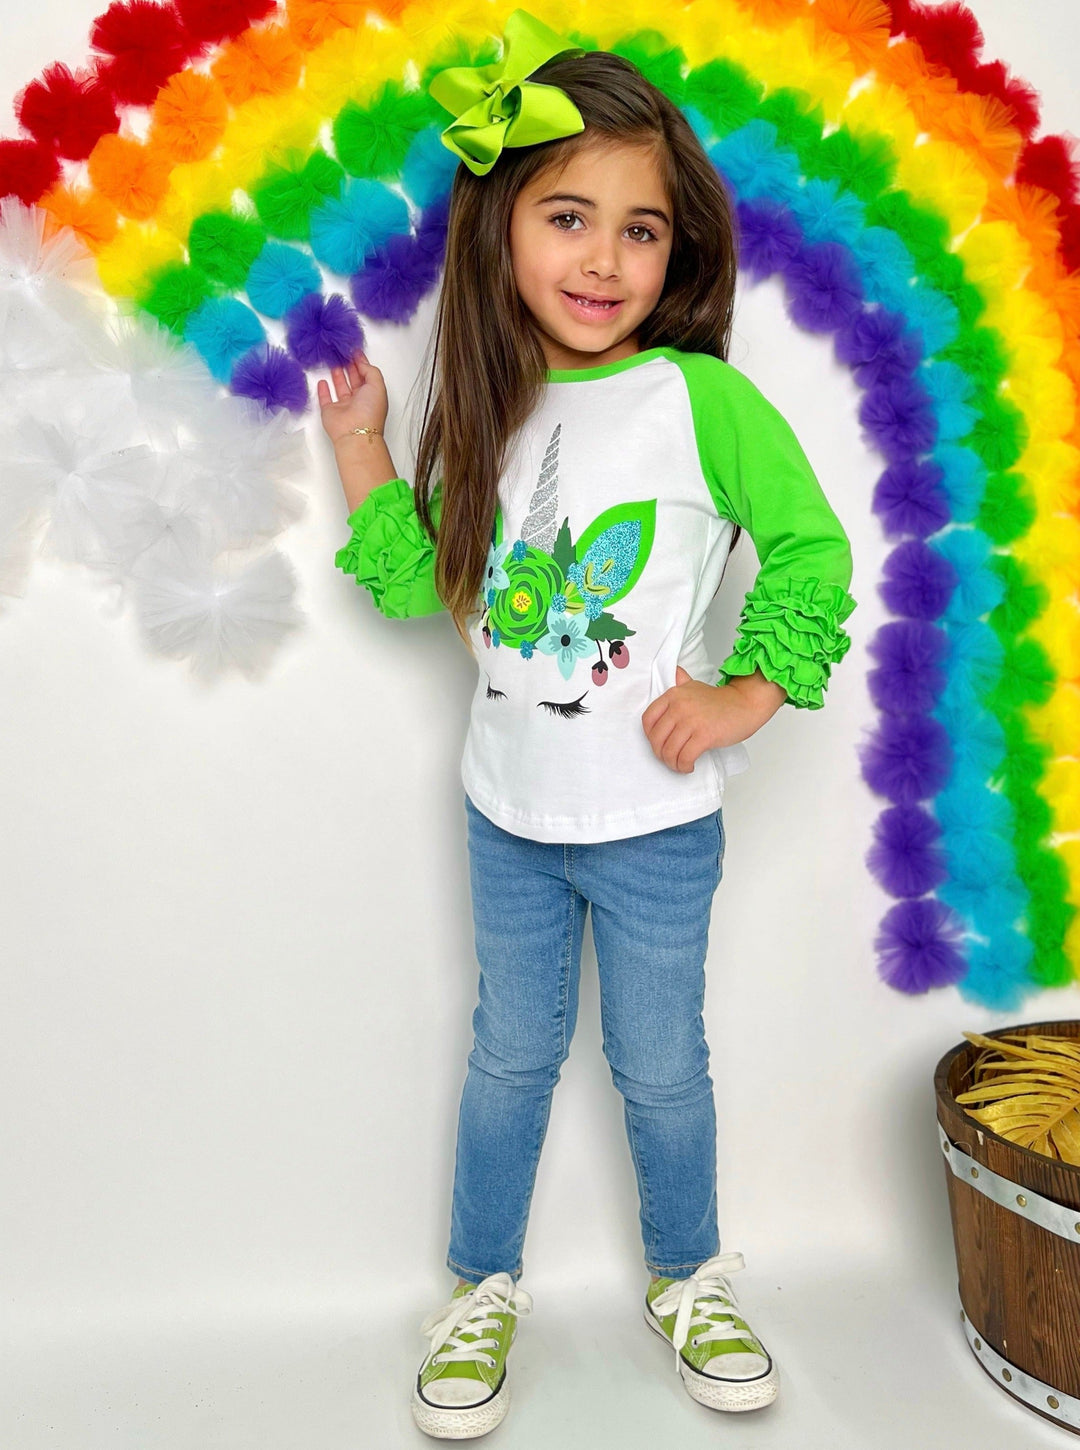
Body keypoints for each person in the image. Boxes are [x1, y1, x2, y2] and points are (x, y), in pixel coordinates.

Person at [319, 10, 856, 1439]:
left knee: (660, 1066)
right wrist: (365, 446)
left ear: (680, 252)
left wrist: (745, 691)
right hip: (506, 811)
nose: (605, 259)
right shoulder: (489, 404)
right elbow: (424, 585)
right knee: (509, 1055)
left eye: (641, 229)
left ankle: (691, 1275)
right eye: (569, 217)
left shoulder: (701, 401)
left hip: (657, 829)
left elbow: (812, 550)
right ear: (501, 228)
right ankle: (479, 1283)